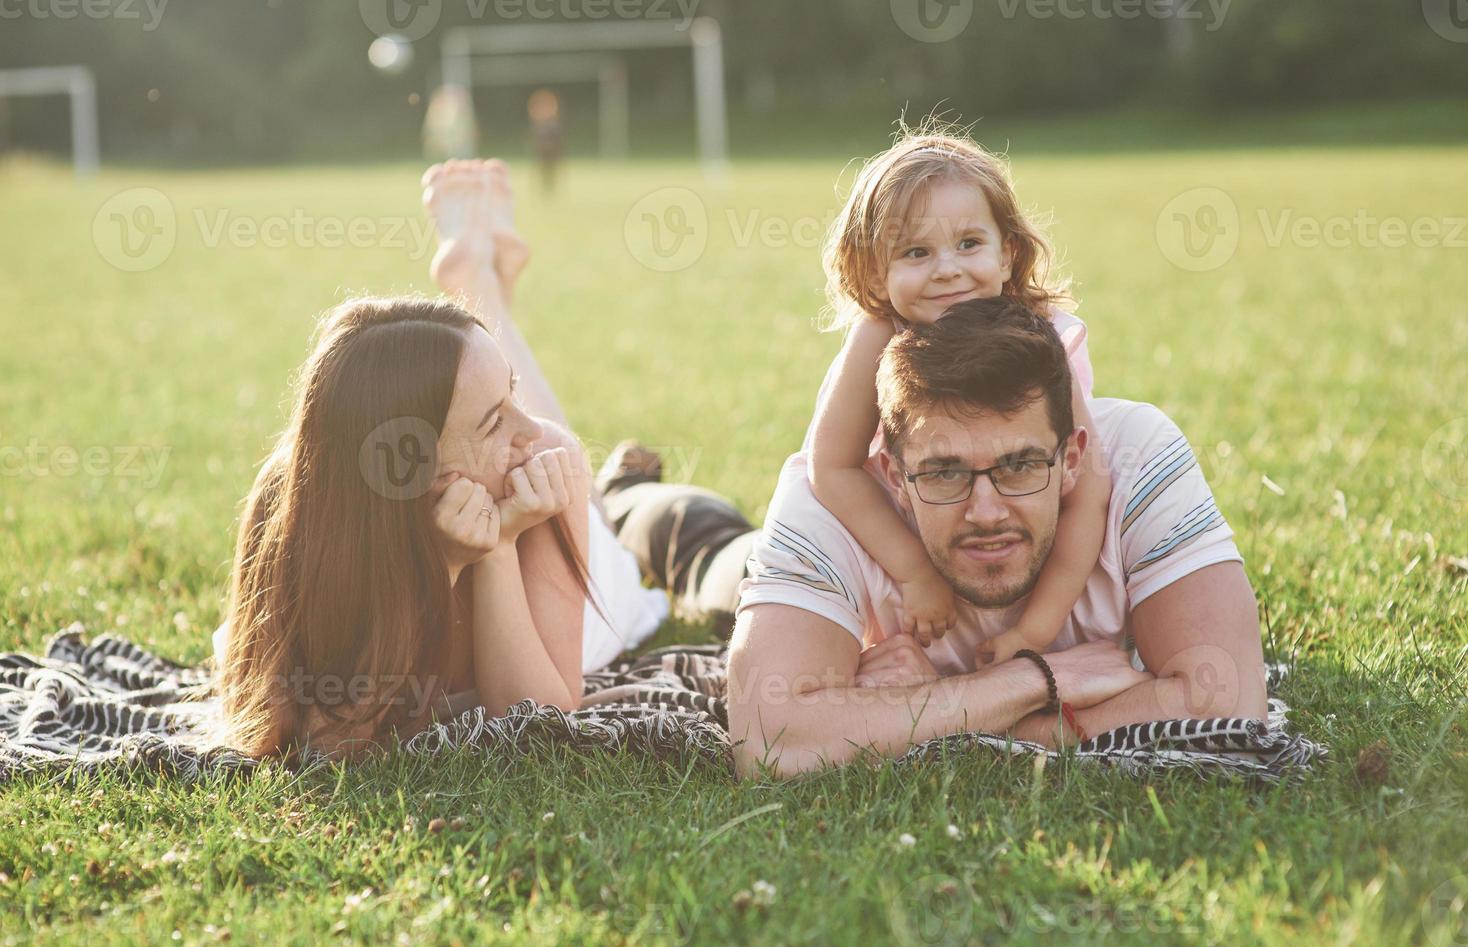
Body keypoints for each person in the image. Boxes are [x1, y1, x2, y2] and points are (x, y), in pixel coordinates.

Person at [599, 299, 1267, 778]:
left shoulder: (1136, 456)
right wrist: (1043, 679)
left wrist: (928, 713)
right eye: (945, 472)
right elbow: (770, 742)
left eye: (1018, 466)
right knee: (708, 553)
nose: (984, 511)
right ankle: (629, 492)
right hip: (776, 580)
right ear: (892, 473)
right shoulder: (826, 496)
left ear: (1071, 457)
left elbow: (1227, 699)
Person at [209, 160, 667, 759]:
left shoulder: (542, 474)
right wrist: (444, 565)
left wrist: (500, 549)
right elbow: (315, 735)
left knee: (585, 491)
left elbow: (541, 725)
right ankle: (479, 278)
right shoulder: (294, 501)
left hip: (598, 587)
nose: (533, 430)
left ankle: (481, 287)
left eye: (511, 398)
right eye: (494, 422)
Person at [808, 126, 1109, 663]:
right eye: (916, 252)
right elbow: (829, 465)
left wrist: (1034, 632)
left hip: (1015, 522)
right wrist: (915, 573)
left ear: (1008, 253)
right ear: (876, 275)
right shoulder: (880, 334)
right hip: (925, 512)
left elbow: (1088, 487)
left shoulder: (1034, 335)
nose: (947, 270)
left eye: (968, 244)